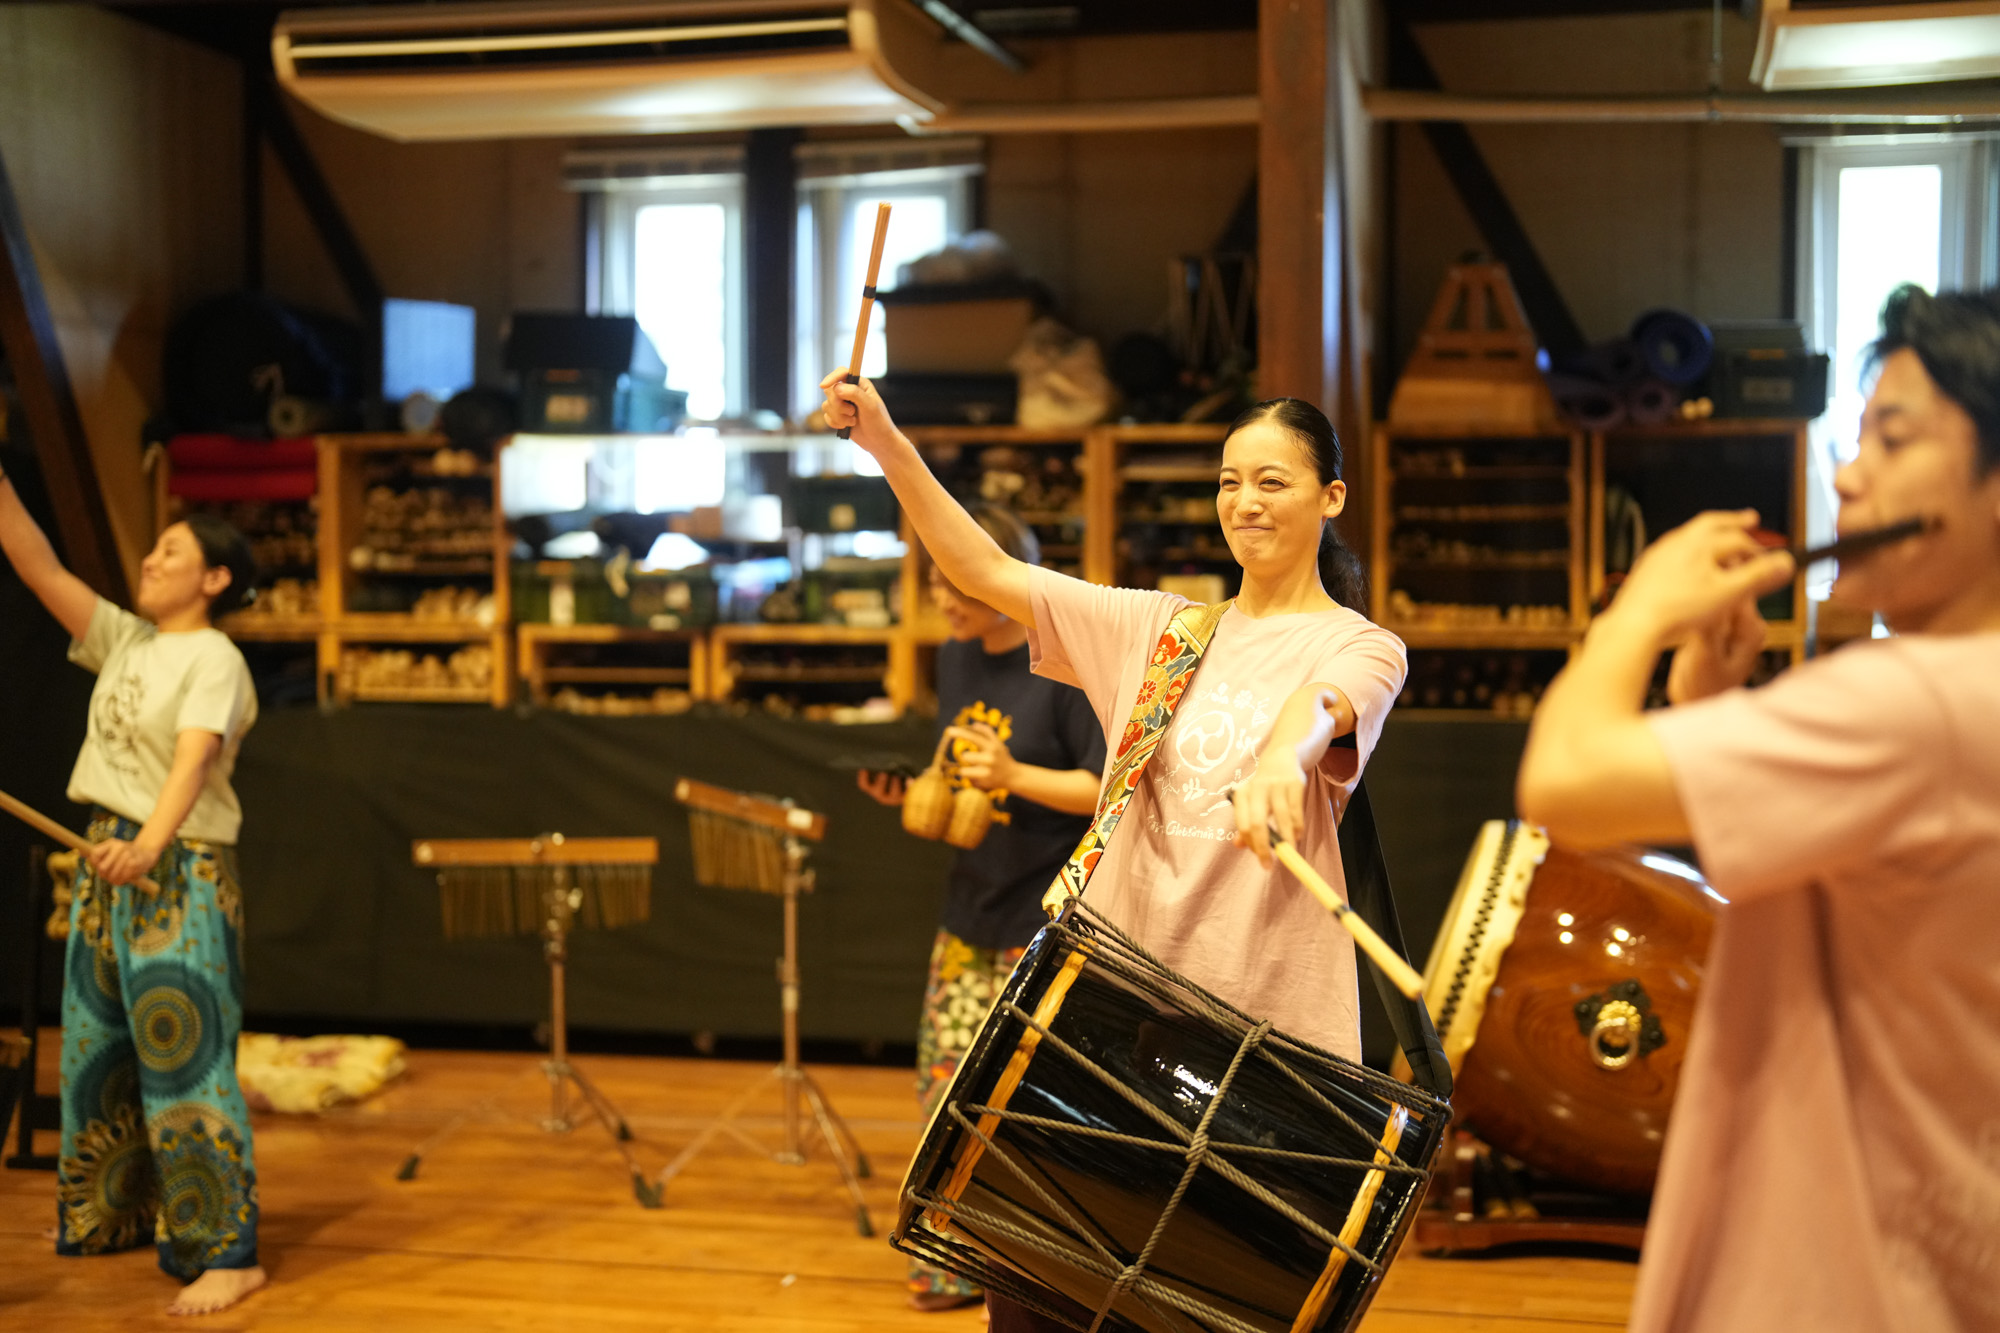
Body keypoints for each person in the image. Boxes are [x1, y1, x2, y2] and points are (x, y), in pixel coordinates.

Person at [823, 376, 1405, 1333]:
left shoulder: (1364, 643)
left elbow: (1327, 704)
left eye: (1273, 480)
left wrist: (1280, 762)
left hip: (1258, 1038)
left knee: (1208, 1307)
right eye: (1228, 481)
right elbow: (980, 566)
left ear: (1330, 497)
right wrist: (885, 439)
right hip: (1110, 1015)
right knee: (1036, 1294)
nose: (1245, 501)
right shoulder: (1162, 630)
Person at [1517, 284, 2000, 1333]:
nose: (1845, 473)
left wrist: (1635, 607)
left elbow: (1562, 783)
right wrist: (1709, 709)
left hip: (1845, 1285)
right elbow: (1818, 897)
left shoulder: (1915, 700)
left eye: (1890, 437)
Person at [0, 465, 267, 1318]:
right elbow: (36, 562)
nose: (150, 561)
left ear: (215, 579)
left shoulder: (215, 656)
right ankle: (109, 1216)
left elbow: (194, 757)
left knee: (184, 1056)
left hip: (177, 869)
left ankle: (226, 1250)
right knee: (98, 1050)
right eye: (153, 548)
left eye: (171, 551)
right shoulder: (124, 641)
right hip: (106, 863)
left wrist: (148, 845)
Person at [856, 501, 1105, 1313]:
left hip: (1044, 922)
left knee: (1022, 1110)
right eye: (934, 577)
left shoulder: (1064, 663)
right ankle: (953, 1263)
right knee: (943, 1085)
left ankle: (1029, 1272)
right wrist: (919, 787)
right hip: (970, 902)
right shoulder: (956, 655)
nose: (943, 593)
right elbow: (960, 760)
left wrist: (1013, 777)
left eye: (954, 577)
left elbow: (1108, 788)